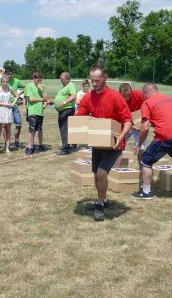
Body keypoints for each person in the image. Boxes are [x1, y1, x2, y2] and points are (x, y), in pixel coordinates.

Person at [76, 64, 132, 221]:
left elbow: (128, 120)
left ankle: (99, 204)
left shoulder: (116, 97)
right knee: (96, 175)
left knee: (101, 172)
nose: (94, 84)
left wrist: (121, 137)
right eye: (92, 80)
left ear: (105, 78)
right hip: (97, 141)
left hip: (114, 143)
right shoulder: (88, 98)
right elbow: (80, 118)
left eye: (98, 80)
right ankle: (104, 198)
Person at [132, 83, 172, 202]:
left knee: (146, 160)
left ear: (146, 93)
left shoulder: (146, 103)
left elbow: (144, 128)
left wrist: (139, 144)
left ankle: (146, 192)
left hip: (166, 136)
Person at [0, 67, 25, 148]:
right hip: (1, 109)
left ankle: (14, 142)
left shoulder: (14, 83)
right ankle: (3, 145)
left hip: (12, 107)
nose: (9, 76)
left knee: (17, 124)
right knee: (2, 128)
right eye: (8, 74)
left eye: (11, 74)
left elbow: (22, 90)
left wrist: (19, 95)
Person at [119, 83, 146, 166]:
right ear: (120, 93)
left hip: (138, 121)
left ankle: (142, 168)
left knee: (141, 146)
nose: (126, 98)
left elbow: (148, 105)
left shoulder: (139, 95)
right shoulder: (116, 98)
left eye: (128, 95)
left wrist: (142, 120)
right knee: (120, 144)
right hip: (125, 122)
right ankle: (120, 167)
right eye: (124, 96)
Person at [23, 70, 49, 155]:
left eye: (41, 80)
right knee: (32, 129)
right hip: (32, 111)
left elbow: (46, 97)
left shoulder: (42, 86)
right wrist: (42, 99)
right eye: (38, 80)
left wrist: (42, 90)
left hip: (40, 111)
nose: (39, 82)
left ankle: (40, 145)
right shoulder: (29, 86)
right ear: (34, 78)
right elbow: (31, 99)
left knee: (40, 129)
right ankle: (30, 146)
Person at [53, 72, 77, 155]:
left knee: (64, 128)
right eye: (60, 78)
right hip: (63, 110)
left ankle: (65, 149)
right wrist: (53, 102)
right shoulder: (63, 87)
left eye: (62, 79)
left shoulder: (71, 85)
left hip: (67, 109)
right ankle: (67, 145)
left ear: (67, 79)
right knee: (64, 128)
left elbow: (74, 96)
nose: (60, 80)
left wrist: (64, 102)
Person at [0, 75, 16, 154]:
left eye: (6, 82)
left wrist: (13, 103)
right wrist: (7, 104)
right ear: (1, 82)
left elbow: (16, 96)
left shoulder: (9, 88)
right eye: (3, 82)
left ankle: (7, 148)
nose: (5, 83)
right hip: (0, 111)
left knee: (8, 130)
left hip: (8, 111)